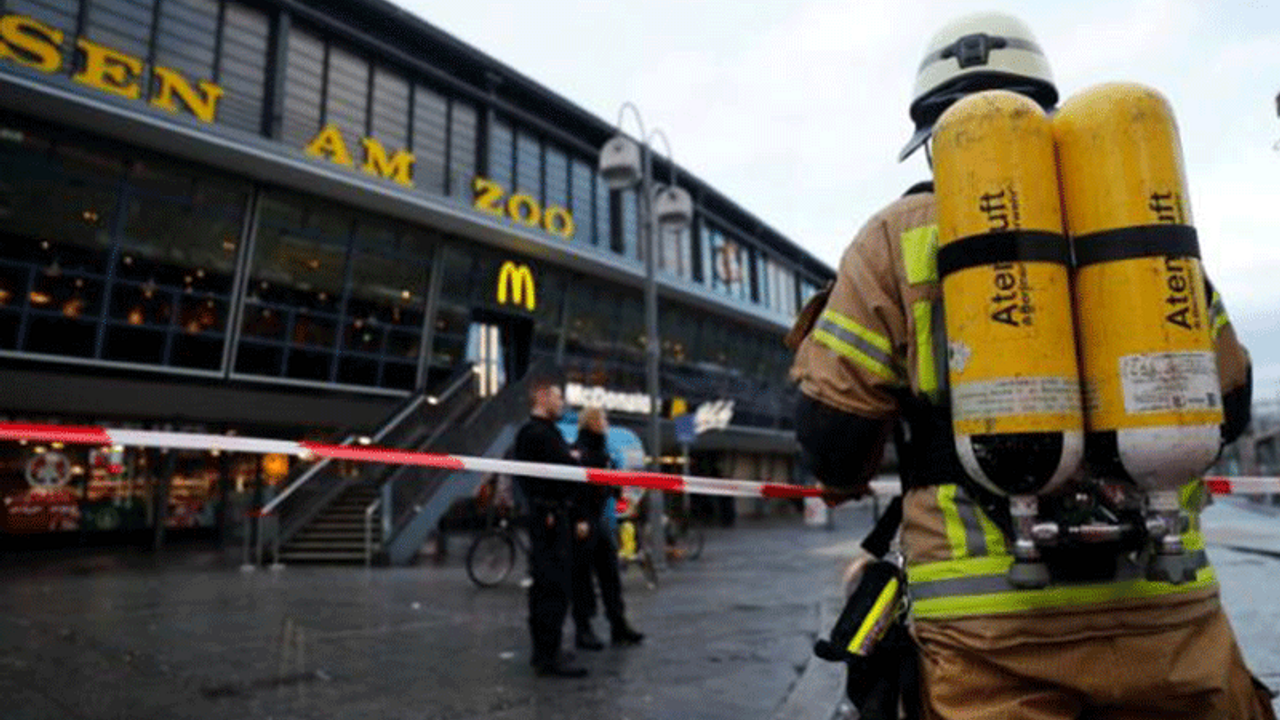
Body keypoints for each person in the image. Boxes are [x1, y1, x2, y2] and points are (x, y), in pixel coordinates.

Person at [789, 11, 1276, 719]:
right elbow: (1228, 403)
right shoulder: (1138, 222)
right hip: (1172, 622)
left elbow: (833, 435)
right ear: (1046, 109)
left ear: (931, 142)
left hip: (991, 639)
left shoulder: (894, 239)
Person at [513, 375, 589, 678]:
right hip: (549, 518)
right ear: (543, 397)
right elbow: (568, 468)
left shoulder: (544, 432)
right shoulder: (537, 434)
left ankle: (548, 649)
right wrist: (572, 458)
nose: (562, 403)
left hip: (552, 516)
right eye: (558, 397)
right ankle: (547, 656)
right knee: (551, 585)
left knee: (552, 585)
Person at [570, 406, 645, 650]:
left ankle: (618, 623)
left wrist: (619, 493)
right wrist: (580, 518)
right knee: (583, 577)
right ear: (592, 422)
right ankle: (584, 628)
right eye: (602, 418)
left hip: (599, 519)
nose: (606, 422)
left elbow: (607, 482)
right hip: (585, 520)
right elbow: (577, 488)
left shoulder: (602, 450)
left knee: (610, 573)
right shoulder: (580, 451)